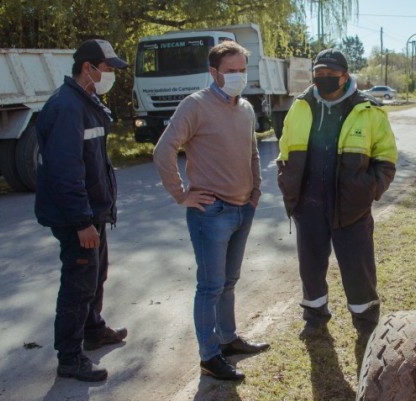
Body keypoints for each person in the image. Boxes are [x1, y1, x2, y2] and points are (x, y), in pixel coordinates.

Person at [153, 41, 269, 381]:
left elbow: (252, 152)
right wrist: (180, 194)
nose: (238, 77)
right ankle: (209, 356)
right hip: (211, 211)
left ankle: (228, 339)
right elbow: (163, 150)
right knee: (210, 286)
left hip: (244, 207)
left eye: (242, 70)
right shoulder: (196, 105)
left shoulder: (245, 108)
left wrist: (256, 192)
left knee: (229, 282)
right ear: (213, 72)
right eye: (231, 71)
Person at [276, 49, 398, 341]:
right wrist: (287, 183)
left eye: (331, 74)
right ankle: (315, 318)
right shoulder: (300, 106)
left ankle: (366, 323)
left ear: (345, 76)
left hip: (351, 207)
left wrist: (369, 189)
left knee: (358, 269)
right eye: (319, 73)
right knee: (310, 268)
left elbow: (386, 158)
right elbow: (284, 151)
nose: (324, 78)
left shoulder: (368, 110)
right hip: (309, 206)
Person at [35, 39, 129, 382]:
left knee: (95, 275)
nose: (110, 75)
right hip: (78, 217)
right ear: (88, 68)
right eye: (107, 68)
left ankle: (93, 329)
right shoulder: (66, 108)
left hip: (93, 212)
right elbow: (65, 172)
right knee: (78, 285)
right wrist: (82, 222)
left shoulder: (86, 102)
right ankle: (70, 357)